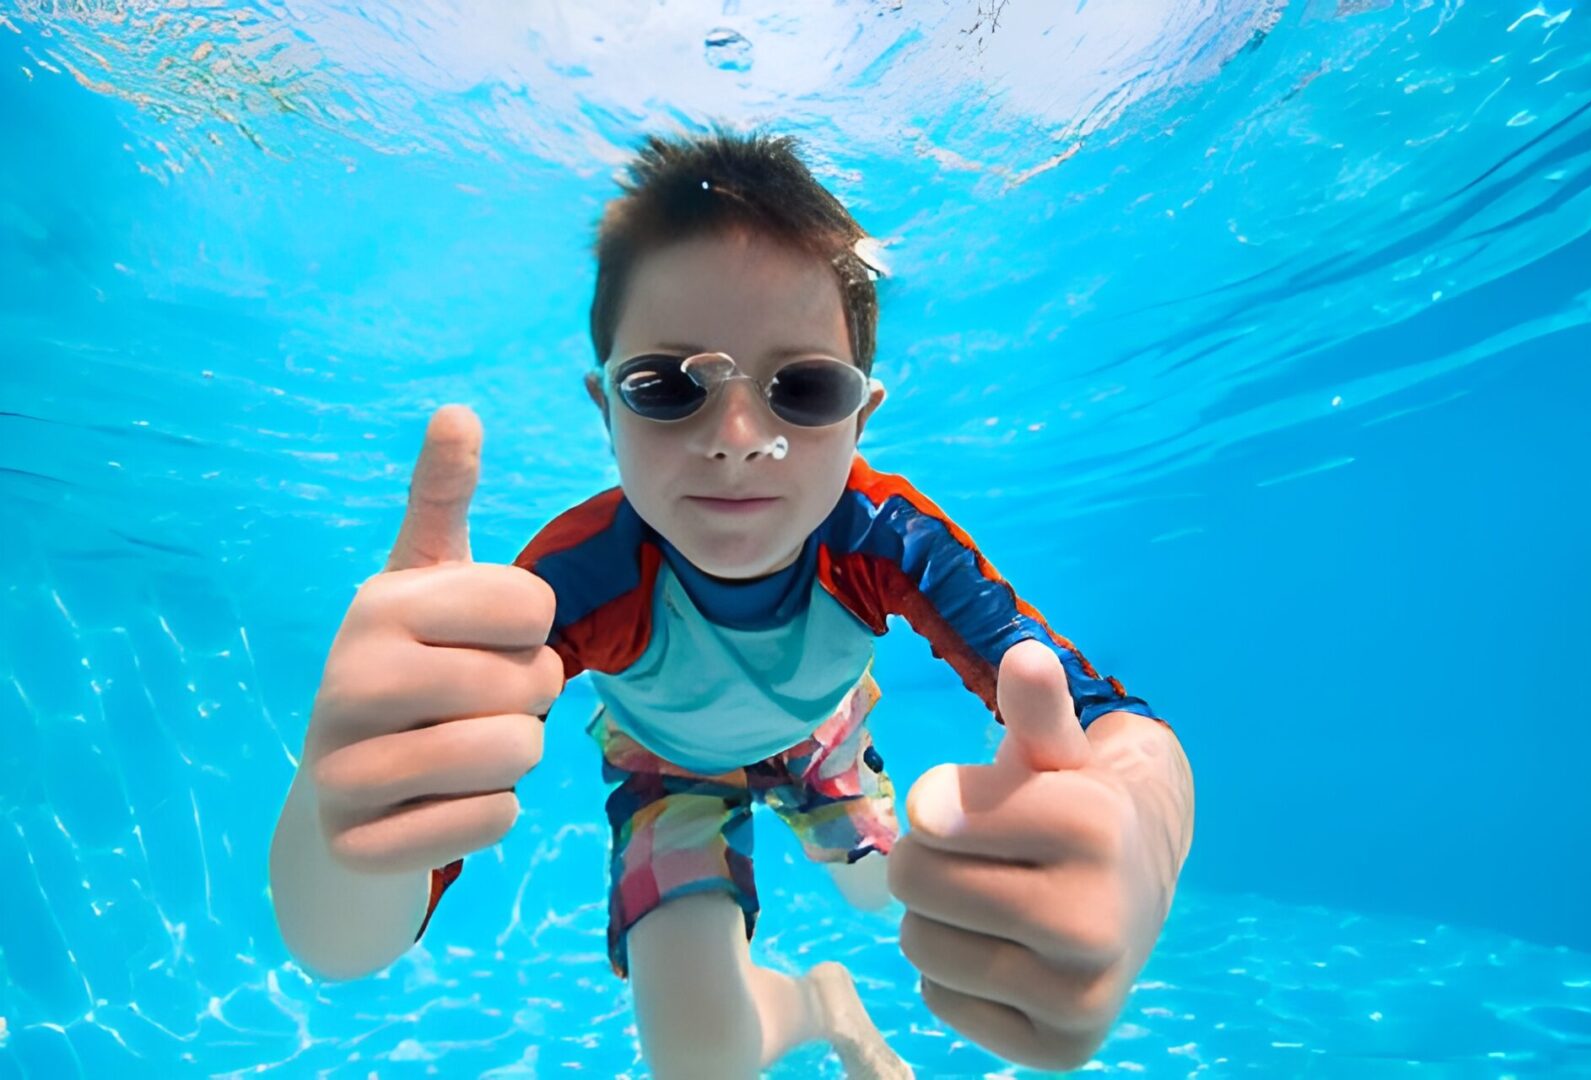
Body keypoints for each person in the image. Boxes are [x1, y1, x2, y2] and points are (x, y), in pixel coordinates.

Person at [270, 128, 1195, 1079]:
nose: (741, 439)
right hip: (665, 764)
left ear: (859, 416)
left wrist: (1144, 828)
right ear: (606, 410)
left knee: (891, 891)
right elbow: (350, 941)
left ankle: (842, 916)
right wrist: (345, 806)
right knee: (698, 1064)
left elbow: (1107, 716)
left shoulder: (885, 538)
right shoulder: (577, 578)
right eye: (668, 387)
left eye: (804, 388)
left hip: (821, 734)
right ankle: (820, 1004)